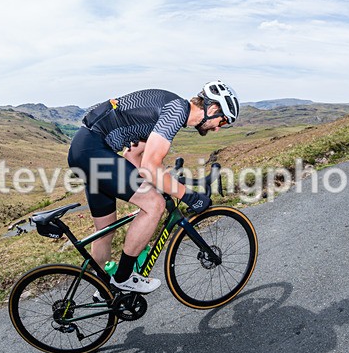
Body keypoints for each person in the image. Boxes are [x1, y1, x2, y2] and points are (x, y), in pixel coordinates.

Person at [68, 81, 240, 293]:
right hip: (94, 150)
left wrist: (151, 186)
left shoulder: (170, 106)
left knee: (104, 231)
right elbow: (150, 165)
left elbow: (133, 155)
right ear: (213, 109)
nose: (216, 129)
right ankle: (123, 278)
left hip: (85, 149)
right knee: (155, 204)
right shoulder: (176, 110)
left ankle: (103, 289)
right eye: (221, 122)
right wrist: (188, 196)